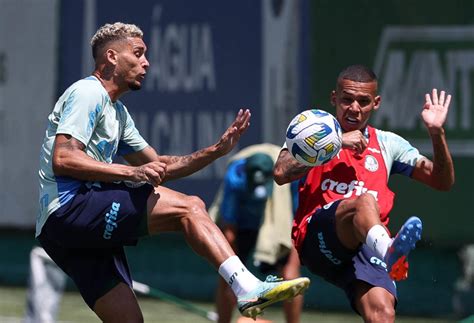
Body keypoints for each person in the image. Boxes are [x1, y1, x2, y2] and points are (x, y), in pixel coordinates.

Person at [36, 22, 310, 322]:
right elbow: (63, 158)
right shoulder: (88, 92)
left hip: (63, 233)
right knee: (190, 208)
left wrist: (216, 150)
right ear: (112, 57)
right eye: (138, 54)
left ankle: (246, 288)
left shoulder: (118, 112)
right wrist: (131, 174)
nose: (146, 63)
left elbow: (159, 168)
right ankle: (246, 286)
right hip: (70, 207)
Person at [273, 64, 454, 322]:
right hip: (317, 239)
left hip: (364, 247)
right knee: (364, 202)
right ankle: (390, 250)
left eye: (363, 101)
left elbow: (441, 181)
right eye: (347, 99)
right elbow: (281, 172)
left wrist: (437, 134)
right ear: (334, 98)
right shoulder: (314, 131)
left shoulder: (388, 144)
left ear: (376, 103)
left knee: (382, 312)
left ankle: (387, 252)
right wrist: (334, 143)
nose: (354, 108)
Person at [209, 144, 303, 323]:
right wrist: (235, 274)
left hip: (277, 226)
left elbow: (298, 221)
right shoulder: (235, 177)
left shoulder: (289, 177)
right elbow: (229, 229)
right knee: (227, 279)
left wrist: (293, 263)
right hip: (243, 226)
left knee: (291, 277)